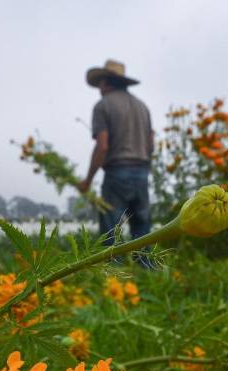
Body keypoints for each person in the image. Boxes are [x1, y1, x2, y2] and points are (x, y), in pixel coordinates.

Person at [76, 60, 154, 254]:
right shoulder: (142, 107)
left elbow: (102, 147)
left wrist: (88, 180)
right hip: (142, 172)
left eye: (100, 83)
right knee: (142, 231)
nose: (99, 88)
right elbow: (151, 142)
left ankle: (113, 279)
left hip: (117, 172)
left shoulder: (103, 106)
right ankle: (146, 275)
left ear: (107, 82)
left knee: (110, 233)